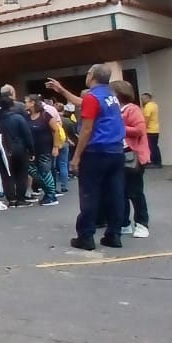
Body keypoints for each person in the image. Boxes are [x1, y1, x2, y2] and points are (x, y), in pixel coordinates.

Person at [64, 65, 128, 251]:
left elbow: (86, 129)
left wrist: (76, 157)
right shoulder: (111, 97)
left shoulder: (92, 97)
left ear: (92, 76)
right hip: (116, 150)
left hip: (96, 152)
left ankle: (86, 236)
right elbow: (81, 102)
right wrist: (61, 90)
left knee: (90, 195)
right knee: (115, 194)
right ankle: (114, 234)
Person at [114, 80, 151, 238]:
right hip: (118, 155)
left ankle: (142, 223)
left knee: (135, 192)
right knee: (120, 192)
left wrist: (119, 127)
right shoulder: (114, 110)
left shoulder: (132, 109)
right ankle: (124, 223)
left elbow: (140, 130)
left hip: (132, 155)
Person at [0, 93, 33, 209]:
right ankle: (20, 198)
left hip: (3, 149)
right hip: (20, 149)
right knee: (21, 174)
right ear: (12, 106)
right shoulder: (18, 118)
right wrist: (31, 150)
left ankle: (11, 199)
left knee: (6, 175)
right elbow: (27, 135)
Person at [25, 94, 61, 207]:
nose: (25, 104)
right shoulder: (27, 117)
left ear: (32, 103)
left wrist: (55, 147)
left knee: (45, 172)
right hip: (33, 150)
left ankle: (51, 195)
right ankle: (47, 192)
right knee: (33, 170)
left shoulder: (46, 115)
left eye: (26, 101)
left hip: (45, 148)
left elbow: (56, 130)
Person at [141, 93, 162, 167]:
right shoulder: (154, 105)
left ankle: (154, 162)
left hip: (150, 130)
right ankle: (158, 162)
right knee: (155, 146)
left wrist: (142, 130)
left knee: (151, 147)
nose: (142, 100)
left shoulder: (148, 107)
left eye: (143, 99)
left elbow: (146, 120)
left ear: (148, 98)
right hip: (155, 129)